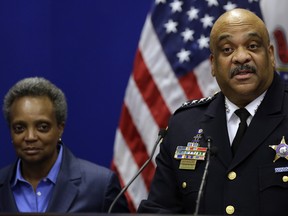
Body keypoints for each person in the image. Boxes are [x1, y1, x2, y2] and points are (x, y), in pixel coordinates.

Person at [138, 8, 288, 215]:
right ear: (213, 65)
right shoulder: (184, 126)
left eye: (252, 46)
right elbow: (160, 209)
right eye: (227, 50)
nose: (241, 57)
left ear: (270, 55)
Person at [0, 77, 129, 213]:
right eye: (20, 128)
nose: (30, 137)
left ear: (60, 128)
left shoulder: (100, 186)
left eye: (42, 127)